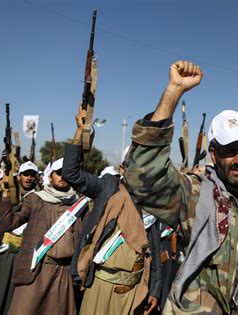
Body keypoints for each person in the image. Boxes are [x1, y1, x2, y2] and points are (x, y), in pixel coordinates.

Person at [125, 60, 238, 314]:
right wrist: (174, 91)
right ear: (214, 155)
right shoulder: (198, 196)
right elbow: (144, 176)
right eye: (230, 151)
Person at [63, 107, 160, 314]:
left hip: (135, 291)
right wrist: (80, 132)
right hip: (100, 285)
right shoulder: (108, 187)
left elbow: (154, 247)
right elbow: (71, 173)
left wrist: (155, 289)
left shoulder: (153, 202)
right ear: (123, 169)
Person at [0, 158, 84, 314]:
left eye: (66, 174)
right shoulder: (35, 199)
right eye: (58, 173)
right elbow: (7, 224)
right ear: (50, 177)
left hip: (63, 273)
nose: (62, 177)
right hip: (37, 269)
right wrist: (5, 194)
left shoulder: (78, 205)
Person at [0, 161, 39, 315]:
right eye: (26, 174)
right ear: (18, 177)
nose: (29, 178)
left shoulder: (40, 199)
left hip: (23, 255)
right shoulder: (6, 193)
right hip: (1, 253)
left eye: (32, 175)